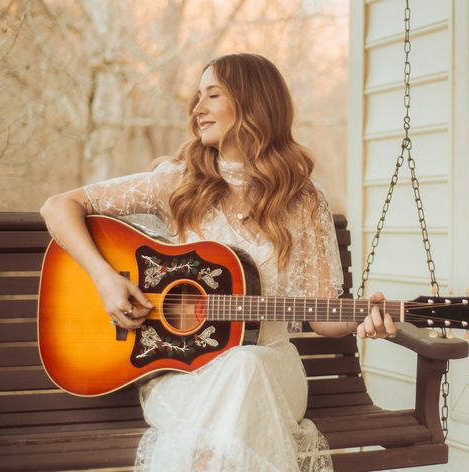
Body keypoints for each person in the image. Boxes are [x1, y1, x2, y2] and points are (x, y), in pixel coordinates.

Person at [40, 53, 397, 472]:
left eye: (213, 95)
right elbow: (59, 206)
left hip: (271, 367)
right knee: (236, 391)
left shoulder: (303, 199)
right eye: (197, 97)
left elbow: (323, 315)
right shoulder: (176, 182)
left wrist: (364, 319)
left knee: (247, 364)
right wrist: (105, 279)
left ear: (253, 105)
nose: (197, 108)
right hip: (186, 375)